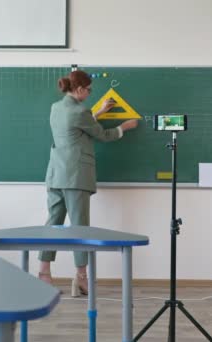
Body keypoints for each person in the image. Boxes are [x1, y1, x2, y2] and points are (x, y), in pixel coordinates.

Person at [39, 70, 138, 297]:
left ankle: (44, 273)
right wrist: (125, 127)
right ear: (80, 89)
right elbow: (102, 135)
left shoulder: (57, 108)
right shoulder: (81, 111)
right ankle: (81, 279)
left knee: (52, 224)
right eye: (90, 89)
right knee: (79, 227)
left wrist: (100, 111)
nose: (91, 93)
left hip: (56, 173)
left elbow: (76, 125)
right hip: (76, 175)